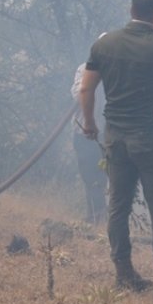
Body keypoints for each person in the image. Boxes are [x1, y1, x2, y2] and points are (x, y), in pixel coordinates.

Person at [78, 0, 153, 295]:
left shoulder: (105, 44)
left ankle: (124, 274)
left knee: (118, 205)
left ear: (131, 10)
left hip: (116, 138)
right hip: (151, 141)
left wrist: (89, 124)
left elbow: (86, 89)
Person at [71, 62, 107, 226]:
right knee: (89, 176)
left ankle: (101, 216)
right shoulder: (85, 68)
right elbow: (79, 94)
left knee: (104, 176)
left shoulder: (120, 68)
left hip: (109, 134)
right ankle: (94, 216)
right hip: (84, 133)